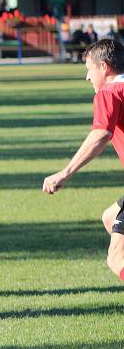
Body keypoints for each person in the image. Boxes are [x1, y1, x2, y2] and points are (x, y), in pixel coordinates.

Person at [43, 39, 124, 284]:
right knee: (110, 218)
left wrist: (64, 173)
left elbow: (101, 134)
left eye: (89, 69)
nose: (87, 77)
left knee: (116, 258)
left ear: (104, 67)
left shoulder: (109, 93)